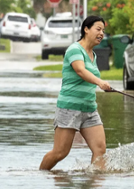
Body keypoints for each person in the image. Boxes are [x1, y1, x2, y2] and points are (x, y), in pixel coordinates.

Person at [39, 15, 111, 171]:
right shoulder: (74, 49)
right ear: (86, 29)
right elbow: (80, 70)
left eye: (103, 31)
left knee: (100, 150)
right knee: (60, 152)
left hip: (89, 108)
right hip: (69, 108)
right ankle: (41, 176)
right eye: (98, 29)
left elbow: (88, 74)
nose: (101, 34)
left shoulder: (94, 55)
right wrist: (100, 82)